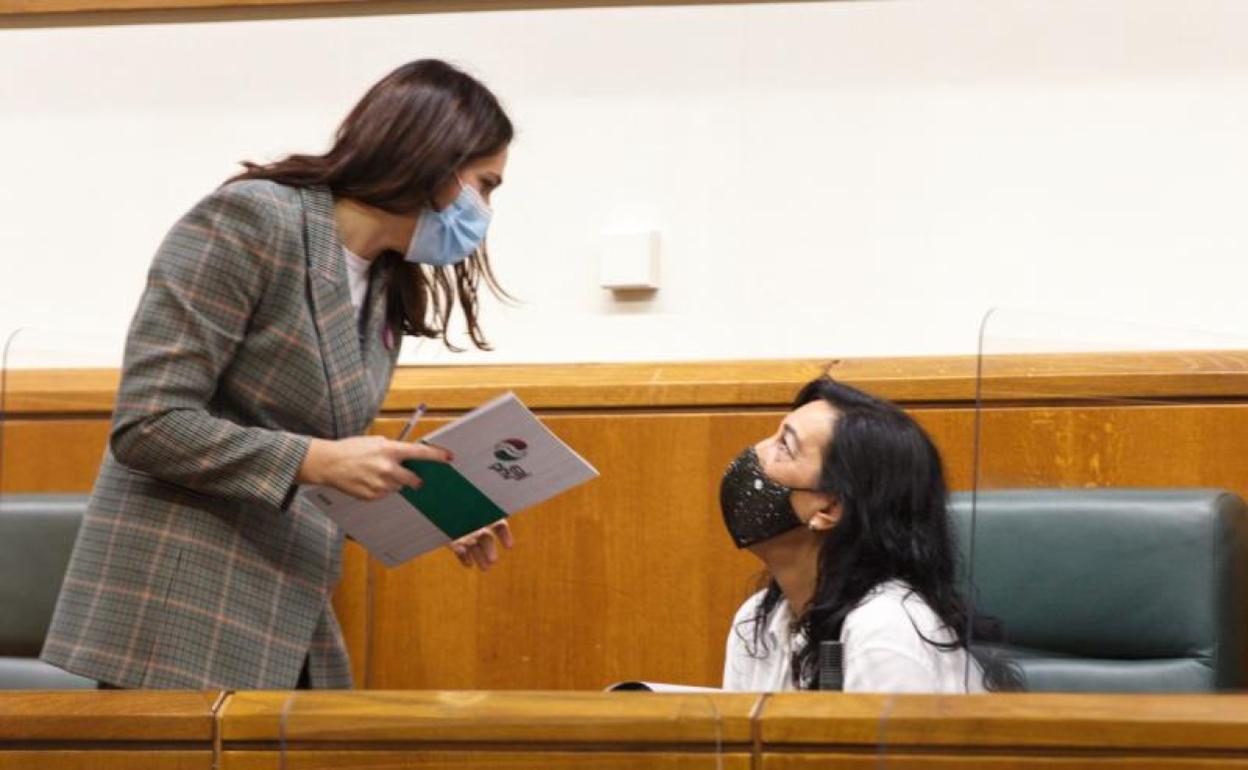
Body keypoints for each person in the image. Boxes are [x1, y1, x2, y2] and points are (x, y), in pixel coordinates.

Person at [41, 59, 515, 689]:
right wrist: (316, 460)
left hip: (288, 607)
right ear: (432, 159)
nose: (484, 210)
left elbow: (327, 456)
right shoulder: (251, 220)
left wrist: (430, 509)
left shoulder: (384, 282)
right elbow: (149, 424)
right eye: (485, 184)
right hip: (179, 608)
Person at [719, 376, 1011, 692]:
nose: (756, 452)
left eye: (784, 448)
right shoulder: (757, 622)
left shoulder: (885, 630)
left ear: (828, 509)